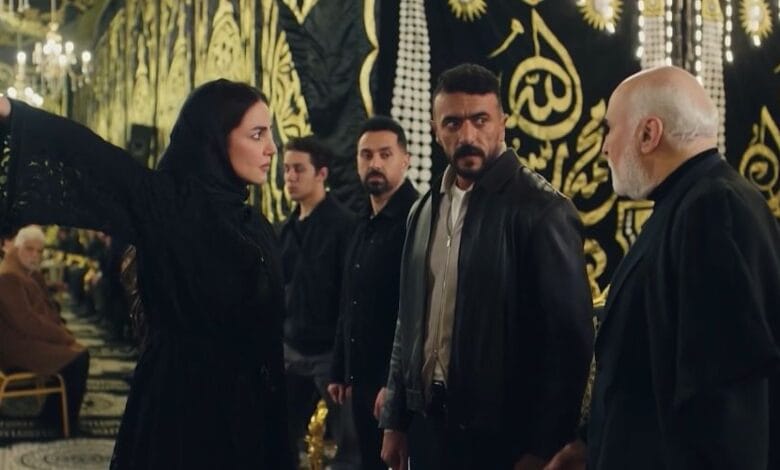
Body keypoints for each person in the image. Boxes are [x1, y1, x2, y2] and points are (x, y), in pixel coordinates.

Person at [0, 81, 293, 469]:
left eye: (270, 133)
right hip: (185, 408)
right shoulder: (168, 206)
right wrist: (10, 111)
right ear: (215, 141)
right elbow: (89, 154)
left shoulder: (253, 223)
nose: (272, 148)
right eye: (257, 134)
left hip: (252, 406)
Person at [545, 66, 780, 470]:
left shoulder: (712, 210)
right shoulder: (689, 203)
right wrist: (588, 447)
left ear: (648, 134)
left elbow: (726, 402)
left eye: (609, 130)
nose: (604, 148)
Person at [379, 63, 594, 470]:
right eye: (453, 123)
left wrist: (543, 447)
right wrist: (396, 419)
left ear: (502, 124)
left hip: (504, 436)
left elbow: (569, 347)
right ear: (435, 129)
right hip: (429, 427)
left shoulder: (542, 210)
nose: (467, 136)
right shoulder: (423, 210)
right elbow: (408, 322)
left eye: (480, 120)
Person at [328, 116, 419, 469]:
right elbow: (349, 299)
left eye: (385, 154)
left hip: (394, 386)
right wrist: (341, 368)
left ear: (405, 160)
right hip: (360, 381)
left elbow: (414, 313)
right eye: (366, 155)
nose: (375, 163)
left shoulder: (417, 219)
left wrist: (392, 386)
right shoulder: (361, 220)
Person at [279, 135, 357, 467]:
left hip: (329, 355)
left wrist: (342, 360)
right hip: (290, 350)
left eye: (298, 169)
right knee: (278, 437)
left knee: (350, 448)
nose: (290, 177)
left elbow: (348, 298)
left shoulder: (345, 226)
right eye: (286, 169)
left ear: (321, 173)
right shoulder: (285, 230)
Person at [0, 225, 90, 428]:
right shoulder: (8, 275)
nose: (35, 255)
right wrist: (62, 337)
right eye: (30, 249)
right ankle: (59, 421)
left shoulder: (20, 270)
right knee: (78, 358)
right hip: (16, 350)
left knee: (75, 353)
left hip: (23, 341)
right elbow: (27, 322)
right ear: (17, 247)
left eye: (39, 251)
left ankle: (53, 414)